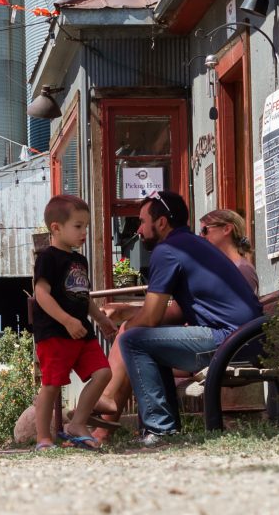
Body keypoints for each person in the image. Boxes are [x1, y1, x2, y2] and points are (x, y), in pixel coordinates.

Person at [116, 189, 263, 447]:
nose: (138, 230)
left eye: (142, 222)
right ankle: (164, 427)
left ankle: (160, 430)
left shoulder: (167, 250)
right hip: (249, 337)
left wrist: (124, 327)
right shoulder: (195, 245)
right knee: (148, 342)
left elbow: (151, 317)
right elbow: (171, 313)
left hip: (230, 340)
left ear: (161, 222)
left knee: (133, 340)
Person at [28, 194, 114, 449]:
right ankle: (43, 438)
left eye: (86, 226)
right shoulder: (48, 258)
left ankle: (77, 423)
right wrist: (66, 320)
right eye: (78, 226)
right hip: (55, 332)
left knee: (103, 373)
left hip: (81, 332)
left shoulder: (80, 260)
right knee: (52, 384)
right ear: (56, 228)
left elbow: (82, 295)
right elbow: (41, 294)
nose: (84, 232)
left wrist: (99, 318)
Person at [199, 208, 263, 288]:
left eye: (205, 230)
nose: (201, 236)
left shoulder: (242, 269)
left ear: (227, 229)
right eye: (200, 232)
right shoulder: (216, 268)